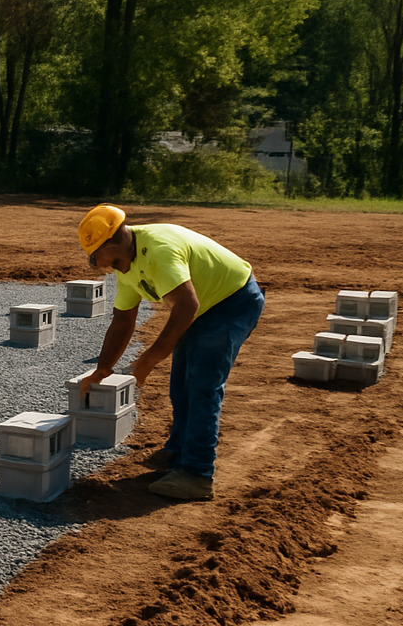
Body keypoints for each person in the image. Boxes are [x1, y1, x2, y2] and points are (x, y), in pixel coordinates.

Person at [77, 204, 264, 501]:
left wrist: (150, 358)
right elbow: (123, 319)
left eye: (94, 255)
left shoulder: (159, 251)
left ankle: (197, 474)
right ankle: (179, 452)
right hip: (204, 305)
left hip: (232, 301)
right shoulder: (126, 264)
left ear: (112, 242)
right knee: (181, 385)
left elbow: (187, 305)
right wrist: (103, 369)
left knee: (202, 385)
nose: (96, 263)